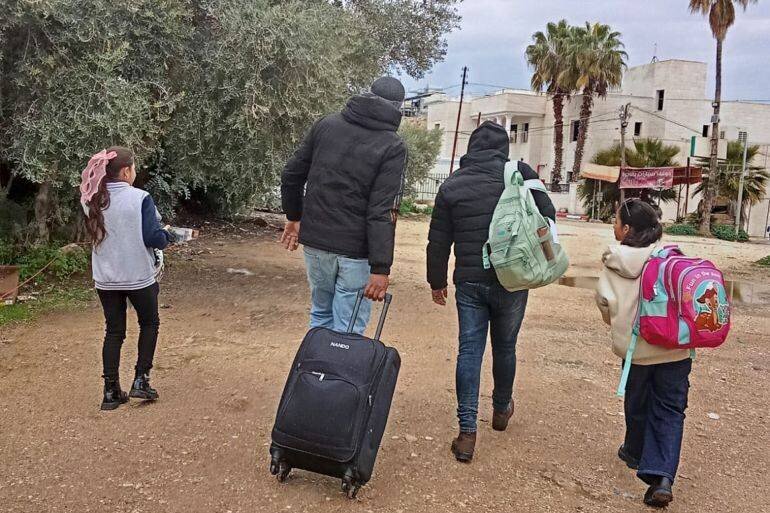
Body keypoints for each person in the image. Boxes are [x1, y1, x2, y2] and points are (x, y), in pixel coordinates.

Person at [426, 121, 556, 462]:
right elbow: (548, 214)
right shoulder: (519, 173)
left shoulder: (452, 184)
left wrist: (436, 281)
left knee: (469, 352)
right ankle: (501, 410)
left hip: (469, 281)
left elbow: (438, 240)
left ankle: (467, 433)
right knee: (505, 346)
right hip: (512, 278)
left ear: (471, 148)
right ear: (504, 148)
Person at [280, 77, 407, 334]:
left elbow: (291, 175)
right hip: (355, 252)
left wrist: (294, 218)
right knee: (348, 331)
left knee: (320, 317)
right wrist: (381, 268)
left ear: (367, 94)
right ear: (399, 108)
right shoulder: (393, 146)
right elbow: (382, 210)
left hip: (316, 244)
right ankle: (339, 375)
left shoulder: (326, 125)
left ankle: (316, 374)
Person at [595, 199, 691, 508]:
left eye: (615, 220)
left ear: (626, 229)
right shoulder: (671, 258)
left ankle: (635, 452)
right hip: (676, 349)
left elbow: (605, 306)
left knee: (637, 403)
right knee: (670, 409)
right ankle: (661, 476)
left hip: (637, 350)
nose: (613, 225)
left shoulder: (615, 262)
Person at [80, 147, 175, 411]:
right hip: (138, 276)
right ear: (125, 171)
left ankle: (110, 391)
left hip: (106, 278)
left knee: (114, 331)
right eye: (133, 168)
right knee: (149, 323)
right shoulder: (140, 198)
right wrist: (167, 235)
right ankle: (141, 380)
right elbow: (153, 238)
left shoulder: (90, 200)